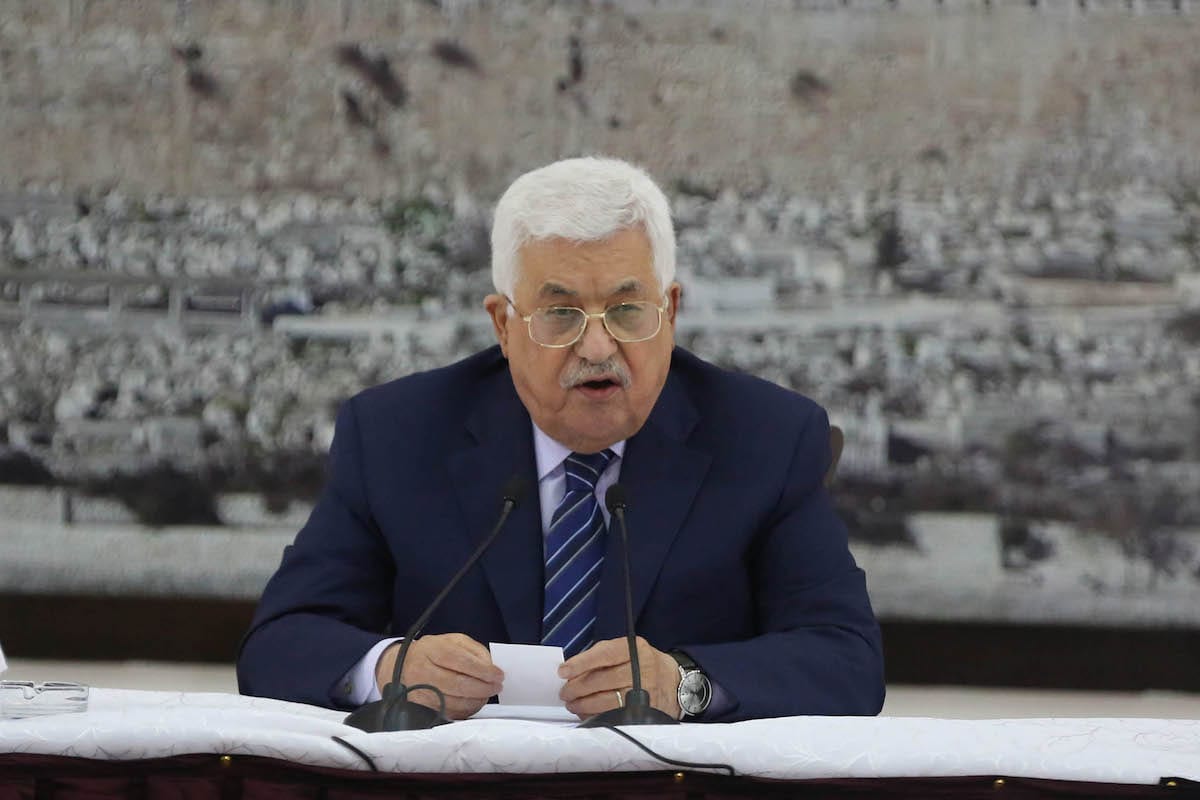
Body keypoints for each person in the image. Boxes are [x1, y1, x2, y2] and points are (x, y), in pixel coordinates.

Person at [237, 157, 884, 722]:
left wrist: (685, 683)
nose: (598, 347)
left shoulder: (767, 438)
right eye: (560, 313)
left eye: (628, 311)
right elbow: (280, 645)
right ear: (503, 324)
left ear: (671, 312)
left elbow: (845, 658)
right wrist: (387, 669)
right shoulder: (395, 435)